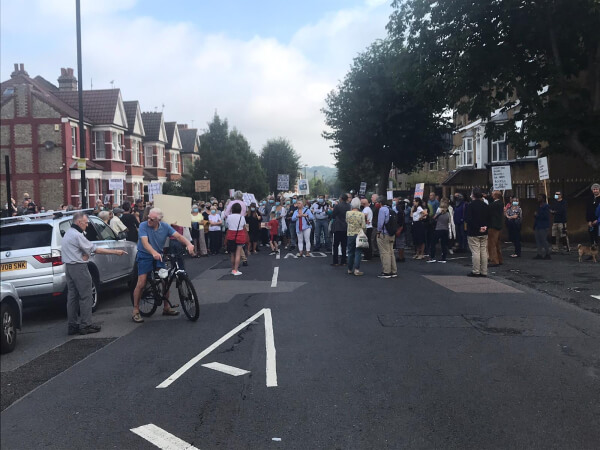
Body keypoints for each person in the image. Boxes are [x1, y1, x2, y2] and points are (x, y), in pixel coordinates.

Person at [62, 212, 128, 335]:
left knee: (72, 296)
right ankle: (86, 325)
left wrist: (85, 255)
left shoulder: (68, 233)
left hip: (69, 267)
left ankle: (72, 325)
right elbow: (95, 249)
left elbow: (83, 251)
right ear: (79, 222)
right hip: (79, 267)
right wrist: (115, 252)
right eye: (86, 223)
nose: (87, 225)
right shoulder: (77, 235)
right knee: (86, 296)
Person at [131, 208, 195, 323]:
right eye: (148, 218)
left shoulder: (165, 226)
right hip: (145, 255)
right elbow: (145, 243)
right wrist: (153, 252)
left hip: (158, 255)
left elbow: (178, 236)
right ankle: (135, 310)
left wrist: (189, 244)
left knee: (165, 279)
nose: (149, 220)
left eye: (152, 219)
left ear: (159, 220)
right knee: (142, 282)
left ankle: (166, 307)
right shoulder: (143, 226)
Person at [464, 188, 491, 277]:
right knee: (483, 251)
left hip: (473, 231)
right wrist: (485, 227)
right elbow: (489, 218)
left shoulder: (470, 206)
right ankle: (484, 271)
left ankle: (476, 271)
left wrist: (478, 227)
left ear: (473, 195)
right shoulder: (485, 205)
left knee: (475, 252)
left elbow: (468, 219)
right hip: (484, 231)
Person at [376, 197, 397, 278]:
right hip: (392, 233)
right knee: (391, 252)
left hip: (384, 234)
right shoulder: (391, 209)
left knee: (385, 252)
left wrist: (378, 232)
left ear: (380, 203)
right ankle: (393, 270)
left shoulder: (382, 210)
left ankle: (386, 271)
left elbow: (380, 223)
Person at [346, 197, 366, 276]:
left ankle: (349, 269)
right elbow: (364, 226)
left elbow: (347, 222)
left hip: (350, 234)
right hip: (359, 234)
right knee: (358, 252)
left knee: (350, 252)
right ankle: (356, 269)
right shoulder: (361, 214)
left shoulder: (348, 213)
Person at [225, 203, 247, 276]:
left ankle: (232, 269)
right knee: (238, 254)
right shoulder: (242, 217)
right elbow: (243, 226)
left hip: (231, 235)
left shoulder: (229, 217)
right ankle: (236, 270)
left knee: (232, 254)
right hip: (240, 235)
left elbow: (227, 225)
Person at [331, 194, 350, 265]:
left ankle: (335, 261)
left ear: (341, 198)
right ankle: (343, 261)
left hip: (338, 226)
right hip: (345, 226)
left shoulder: (338, 206)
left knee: (336, 245)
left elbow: (333, 215)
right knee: (344, 245)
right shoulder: (349, 206)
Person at [487, 190, 504, 267]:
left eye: (493, 194)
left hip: (493, 225)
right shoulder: (501, 203)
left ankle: (494, 260)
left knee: (492, 244)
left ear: (495, 196)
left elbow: (488, 210)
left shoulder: (494, 204)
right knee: (497, 244)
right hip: (499, 225)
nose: (491, 195)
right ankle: (499, 259)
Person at [533, 193, 551, 260]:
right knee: (538, 241)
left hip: (543, 226)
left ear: (543, 199)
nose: (538, 199)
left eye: (540, 197)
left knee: (543, 240)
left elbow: (545, 216)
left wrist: (537, 215)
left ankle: (547, 253)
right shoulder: (539, 206)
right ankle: (539, 253)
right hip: (538, 225)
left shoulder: (546, 206)